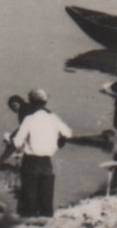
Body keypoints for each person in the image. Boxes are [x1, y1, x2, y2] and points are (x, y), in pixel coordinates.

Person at [8, 88, 72, 218]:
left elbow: (17, 142)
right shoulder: (53, 117)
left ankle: (28, 223)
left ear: (31, 102)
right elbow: (68, 133)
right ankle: (46, 221)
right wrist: (60, 142)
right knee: (46, 197)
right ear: (45, 102)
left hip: (31, 161)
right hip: (47, 163)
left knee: (29, 198)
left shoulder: (29, 119)